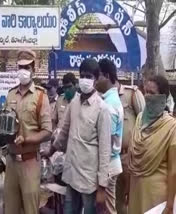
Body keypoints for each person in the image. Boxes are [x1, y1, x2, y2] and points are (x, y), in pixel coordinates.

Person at [44, 58, 111, 214]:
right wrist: (51, 151)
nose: (85, 80)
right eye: (83, 76)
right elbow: (64, 132)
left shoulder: (102, 109)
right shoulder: (74, 103)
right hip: (72, 174)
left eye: (89, 76)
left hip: (89, 181)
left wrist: (102, 187)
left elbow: (105, 150)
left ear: (96, 79)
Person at [4, 49, 52, 214]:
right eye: (20, 67)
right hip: (11, 162)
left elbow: (47, 131)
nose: (23, 71)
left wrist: (27, 139)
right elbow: (5, 124)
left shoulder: (40, 96)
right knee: (10, 209)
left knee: (31, 209)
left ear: (33, 69)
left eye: (27, 67)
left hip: (30, 162)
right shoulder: (11, 94)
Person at [128, 75, 176, 214]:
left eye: (152, 93)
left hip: (157, 197)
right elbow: (133, 159)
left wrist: (170, 204)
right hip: (135, 189)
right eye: (145, 91)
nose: (147, 96)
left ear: (163, 98)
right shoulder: (139, 119)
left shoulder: (171, 127)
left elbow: (173, 170)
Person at [97, 59, 124, 214]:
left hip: (108, 166)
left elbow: (107, 142)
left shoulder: (109, 105)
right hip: (111, 164)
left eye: (98, 76)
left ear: (106, 76)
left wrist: (101, 177)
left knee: (107, 210)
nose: (95, 80)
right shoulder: (110, 100)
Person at [115, 78, 145, 214]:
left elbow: (146, 122)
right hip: (112, 157)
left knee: (131, 199)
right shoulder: (101, 97)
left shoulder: (132, 94)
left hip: (130, 156)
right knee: (116, 201)